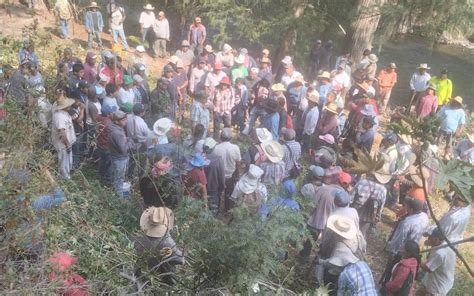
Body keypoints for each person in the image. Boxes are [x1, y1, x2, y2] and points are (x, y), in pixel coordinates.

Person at [134, 207, 184, 286]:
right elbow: (180, 260)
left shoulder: (138, 239)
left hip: (141, 278)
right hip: (164, 280)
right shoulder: (167, 242)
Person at [420, 228, 456, 295]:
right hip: (430, 280)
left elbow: (428, 268)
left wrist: (417, 260)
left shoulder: (440, 253)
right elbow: (429, 259)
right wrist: (430, 245)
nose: (428, 239)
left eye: (430, 237)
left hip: (437, 286)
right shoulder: (443, 244)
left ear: (436, 239)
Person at [213, 128, 241, 212]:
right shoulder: (235, 148)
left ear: (220, 137)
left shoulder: (216, 148)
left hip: (218, 176)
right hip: (230, 175)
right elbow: (238, 163)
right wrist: (237, 174)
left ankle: (216, 209)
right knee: (228, 194)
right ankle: (227, 210)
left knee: (217, 193)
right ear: (231, 138)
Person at [351, 173, 387, 238]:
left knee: (349, 229)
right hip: (368, 216)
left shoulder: (362, 182)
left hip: (355, 211)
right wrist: (377, 218)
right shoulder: (383, 190)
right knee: (361, 234)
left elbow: (351, 198)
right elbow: (380, 208)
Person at [51, 90, 76, 179]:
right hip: (62, 143)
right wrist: (67, 144)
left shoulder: (64, 113)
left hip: (66, 142)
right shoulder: (59, 117)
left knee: (67, 160)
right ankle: (64, 178)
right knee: (63, 161)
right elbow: (62, 132)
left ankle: (66, 175)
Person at [107, 110, 131, 198]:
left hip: (115, 156)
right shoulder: (117, 133)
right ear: (116, 121)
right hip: (120, 158)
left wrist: (126, 139)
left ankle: (116, 192)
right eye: (123, 120)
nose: (126, 121)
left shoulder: (114, 127)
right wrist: (130, 142)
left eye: (125, 119)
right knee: (119, 179)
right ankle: (119, 198)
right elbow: (123, 150)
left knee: (117, 176)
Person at [203, 137, 225, 216]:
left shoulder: (199, 158)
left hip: (201, 189)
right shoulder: (218, 160)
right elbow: (221, 176)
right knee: (213, 209)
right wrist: (222, 188)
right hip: (214, 188)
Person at [126, 103, 149, 179]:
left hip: (129, 142)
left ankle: (129, 174)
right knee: (142, 161)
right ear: (142, 113)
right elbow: (146, 136)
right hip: (140, 144)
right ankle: (141, 176)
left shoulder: (128, 117)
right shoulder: (142, 124)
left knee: (132, 159)